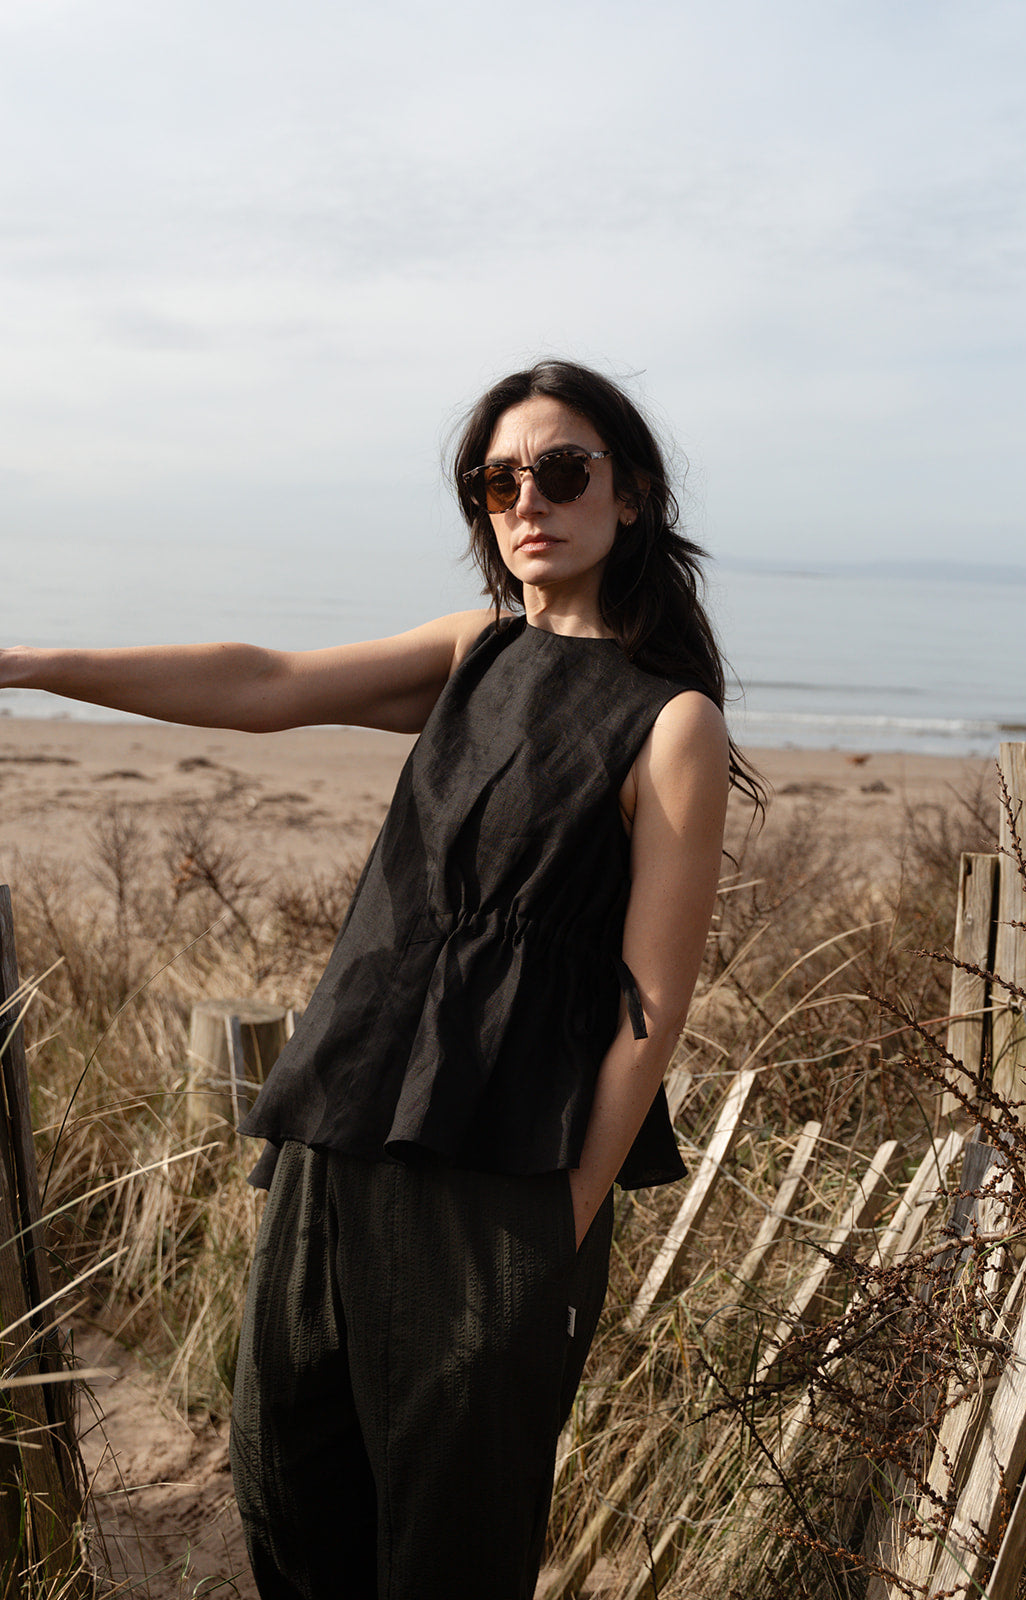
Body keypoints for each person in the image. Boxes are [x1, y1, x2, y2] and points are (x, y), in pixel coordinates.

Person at [1, 360, 761, 1599]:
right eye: (498, 479)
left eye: (561, 471)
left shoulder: (669, 721)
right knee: (287, 1470)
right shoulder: (473, 651)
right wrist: (26, 663)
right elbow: (260, 683)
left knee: (449, 1536)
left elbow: (650, 1006)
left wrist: (556, 1226)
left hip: (502, 1176)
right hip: (343, 1123)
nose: (528, 498)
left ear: (626, 496)